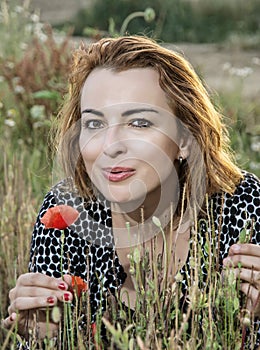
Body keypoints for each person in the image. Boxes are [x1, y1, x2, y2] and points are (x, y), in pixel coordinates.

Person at [2, 35, 260, 348]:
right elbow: (44, 338)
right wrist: (40, 339)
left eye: (138, 122)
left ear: (185, 139)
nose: (111, 146)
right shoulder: (67, 213)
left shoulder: (242, 203)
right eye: (94, 124)